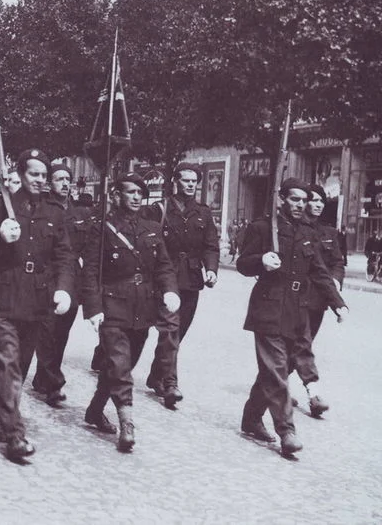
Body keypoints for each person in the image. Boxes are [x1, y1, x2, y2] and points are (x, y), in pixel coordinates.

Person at [0, 149, 74, 461]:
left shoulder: (55, 213)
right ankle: (15, 435)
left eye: (44, 175)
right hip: (2, 297)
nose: (40, 180)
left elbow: (64, 255)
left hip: (36, 300)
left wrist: (64, 289)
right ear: (20, 173)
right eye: (34, 174)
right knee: (7, 364)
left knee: (18, 367)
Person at [236, 178, 348, 457]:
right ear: (281, 199)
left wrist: (338, 304)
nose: (300, 205)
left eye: (303, 200)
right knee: (275, 369)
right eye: (295, 199)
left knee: (281, 368)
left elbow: (319, 272)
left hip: (297, 310)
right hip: (269, 307)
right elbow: (242, 263)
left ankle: (251, 418)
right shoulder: (263, 228)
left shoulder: (308, 232)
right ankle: (287, 431)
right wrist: (261, 260)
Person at [81, 173, 180, 452]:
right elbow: (90, 270)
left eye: (140, 192)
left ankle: (95, 409)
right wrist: (93, 307)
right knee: (120, 364)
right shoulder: (102, 228)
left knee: (123, 363)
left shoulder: (151, 227)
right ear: (116, 195)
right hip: (112, 305)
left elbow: (163, 266)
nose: (136, 197)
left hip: (143, 307)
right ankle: (127, 423)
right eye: (130, 192)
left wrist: (170, 290)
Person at [143, 162, 219, 408]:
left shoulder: (203, 213)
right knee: (171, 330)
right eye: (186, 180)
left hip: (192, 279)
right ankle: (170, 383)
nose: (190, 185)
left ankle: (156, 375)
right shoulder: (160, 208)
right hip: (166, 277)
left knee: (178, 332)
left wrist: (211, 270)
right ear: (176, 181)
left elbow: (211, 245)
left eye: (194, 182)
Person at [32, 163, 92, 405]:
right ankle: (53, 384)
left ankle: (41, 377)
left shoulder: (80, 213)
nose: (65, 183)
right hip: (47, 279)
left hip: (72, 281)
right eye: (59, 179)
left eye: (68, 179)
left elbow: (87, 246)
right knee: (46, 331)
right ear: (49, 183)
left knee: (61, 334)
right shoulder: (41, 209)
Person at [287, 184, 346, 416]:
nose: (318, 204)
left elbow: (338, 263)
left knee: (300, 344)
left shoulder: (329, 233)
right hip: (296, 296)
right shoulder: (294, 229)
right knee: (302, 344)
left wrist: (336, 281)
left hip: (319, 299)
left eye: (322, 201)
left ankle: (275, 384)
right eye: (313, 200)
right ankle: (313, 392)